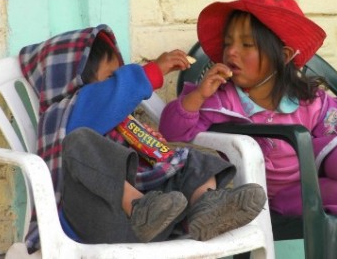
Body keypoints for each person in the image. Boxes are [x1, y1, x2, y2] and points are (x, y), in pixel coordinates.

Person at [19, 24, 267, 251]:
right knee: (80, 142)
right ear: (76, 82)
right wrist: (152, 71)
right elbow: (108, 97)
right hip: (94, 223)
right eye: (111, 77)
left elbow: (165, 155)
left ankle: (205, 207)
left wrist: (172, 164)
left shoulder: (123, 123)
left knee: (187, 157)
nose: (118, 83)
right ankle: (140, 207)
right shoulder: (66, 112)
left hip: (154, 223)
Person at [159, 0, 337, 219]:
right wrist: (198, 96)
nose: (231, 52)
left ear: (283, 56)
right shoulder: (222, 101)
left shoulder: (307, 102)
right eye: (228, 43)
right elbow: (171, 133)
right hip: (281, 196)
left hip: (319, 172)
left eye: (247, 45)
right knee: (335, 194)